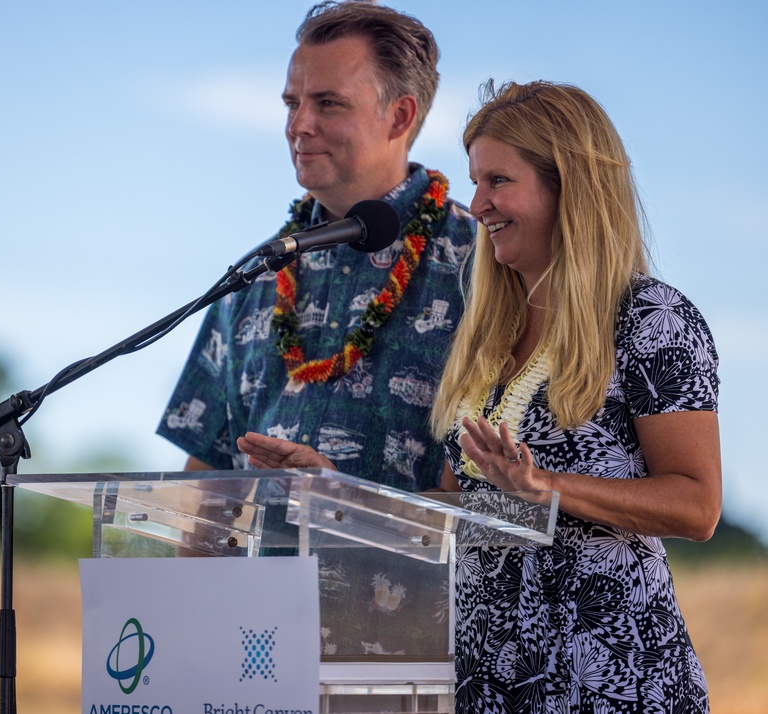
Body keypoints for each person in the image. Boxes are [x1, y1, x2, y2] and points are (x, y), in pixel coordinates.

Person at [238, 79, 721, 713]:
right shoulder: (487, 335)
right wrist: (339, 491)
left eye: (499, 181)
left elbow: (696, 505)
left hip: (608, 680)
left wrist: (547, 488)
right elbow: (453, 513)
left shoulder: (649, 318)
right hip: (484, 680)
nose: (478, 202)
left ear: (567, 187)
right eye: (475, 180)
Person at [158, 1, 476, 492]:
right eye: (291, 103)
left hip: (419, 571)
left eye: (328, 103)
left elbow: (496, 498)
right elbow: (206, 479)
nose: (298, 125)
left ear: (400, 115)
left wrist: (342, 500)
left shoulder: (484, 261)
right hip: (259, 572)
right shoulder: (257, 269)